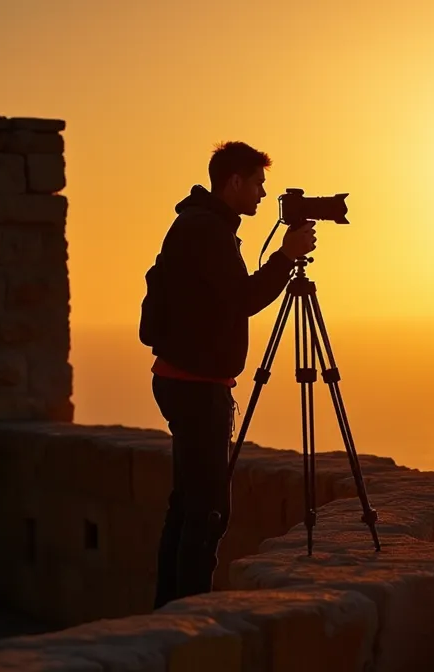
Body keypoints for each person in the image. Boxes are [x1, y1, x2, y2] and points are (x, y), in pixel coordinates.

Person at [138, 141, 316, 609]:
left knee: (189, 506)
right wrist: (284, 257)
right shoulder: (206, 231)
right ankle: (186, 619)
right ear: (233, 182)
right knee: (207, 511)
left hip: (187, 381)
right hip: (195, 389)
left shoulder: (203, 225)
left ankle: (169, 610)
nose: (262, 193)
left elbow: (228, 298)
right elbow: (245, 299)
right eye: (257, 183)